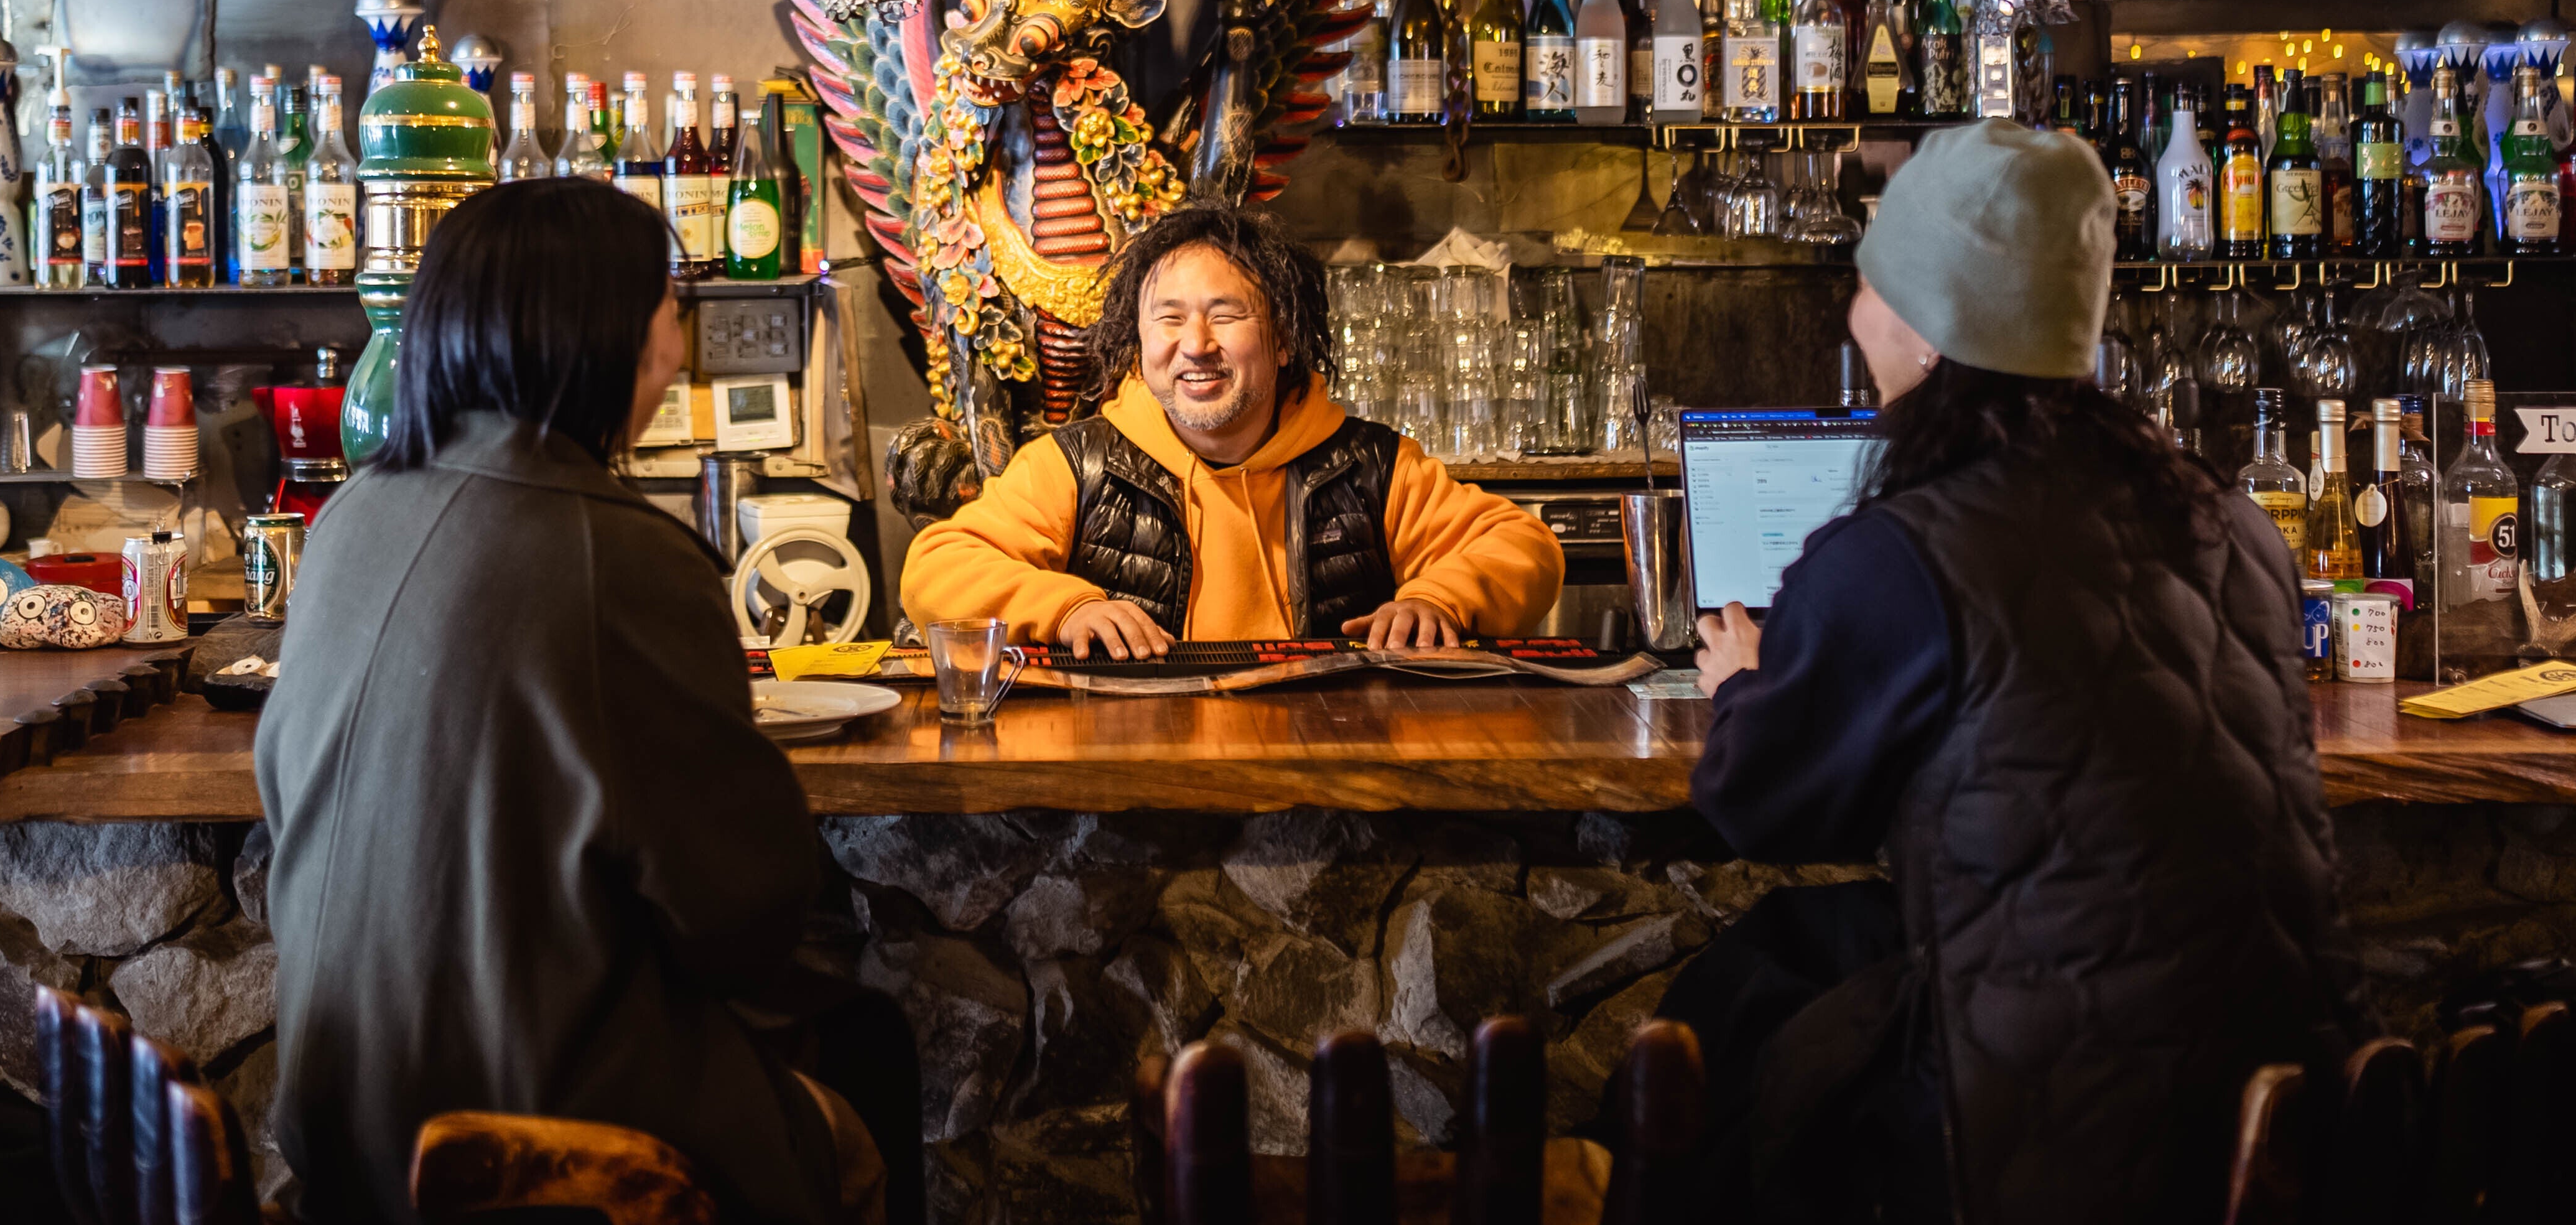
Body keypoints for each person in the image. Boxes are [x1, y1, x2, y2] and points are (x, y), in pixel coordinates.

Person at [1670, 121, 2369, 1224]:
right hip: (2294, 1114)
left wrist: (1744, 685)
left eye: (1870, 284)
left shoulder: (1902, 553)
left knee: (1733, 1012)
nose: (1854, 315)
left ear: (1927, 329)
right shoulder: (2234, 524)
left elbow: (1760, 801)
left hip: (2053, 1142)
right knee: (1814, 950)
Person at [256, 180, 893, 1225]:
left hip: (337, 1123)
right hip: (532, 1147)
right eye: (669, 311)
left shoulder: (349, 517)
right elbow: (744, 917)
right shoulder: (624, 557)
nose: (678, 349)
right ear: (607, 338)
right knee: (859, 1106)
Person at [900, 203, 1563, 656]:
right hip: (1137, 772)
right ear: (1138, 340)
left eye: (1226, 315)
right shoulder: (1074, 466)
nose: (1195, 345)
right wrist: (1065, 609)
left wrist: (1439, 601)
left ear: (1283, 339)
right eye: (1168, 319)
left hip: (1328, 766)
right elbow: (936, 570)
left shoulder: (1372, 465)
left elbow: (1525, 548)